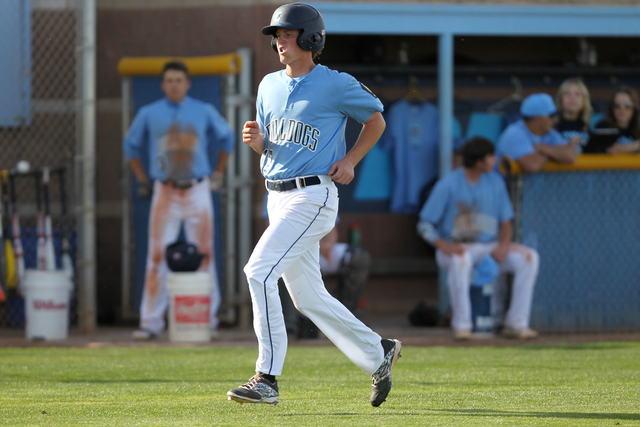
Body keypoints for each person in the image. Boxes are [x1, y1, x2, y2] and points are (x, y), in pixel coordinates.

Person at [226, 2, 401, 407]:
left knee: (258, 271)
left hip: (314, 194)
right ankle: (379, 352)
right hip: (277, 194)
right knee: (307, 297)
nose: (280, 42)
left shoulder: (335, 83)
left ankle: (266, 377)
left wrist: (351, 159)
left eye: (286, 34)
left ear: (310, 38)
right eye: (276, 36)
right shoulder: (268, 84)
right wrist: (260, 144)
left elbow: (376, 119)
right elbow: (276, 144)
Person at [123, 61, 235, 340]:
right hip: (165, 190)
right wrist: (141, 178)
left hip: (198, 188)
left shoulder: (204, 110)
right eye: (169, 80)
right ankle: (150, 323)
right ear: (162, 85)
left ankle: (206, 320)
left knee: (204, 253)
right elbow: (130, 145)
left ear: (188, 84)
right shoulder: (149, 113)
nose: (174, 84)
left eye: (179, 80)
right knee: (157, 255)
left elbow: (228, 138)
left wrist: (218, 172)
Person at [417, 137, 540, 340]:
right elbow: (424, 224)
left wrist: (503, 246)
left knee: (529, 258)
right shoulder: (448, 184)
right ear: (478, 162)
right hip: (456, 247)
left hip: (489, 246)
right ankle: (462, 326)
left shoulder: (496, 181)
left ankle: (516, 323)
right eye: (491, 157)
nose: (495, 160)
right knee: (461, 260)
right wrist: (444, 246)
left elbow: (506, 221)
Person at [495, 93, 578, 173]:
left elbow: (569, 157)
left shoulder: (550, 133)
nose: (554, 119)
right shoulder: (514, 133)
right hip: (502, 186)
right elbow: (533, 165)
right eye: (551, 116)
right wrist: (554, 153)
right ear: (538, 119)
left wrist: (542, 148)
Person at [594, 86, 640, 153]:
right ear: (612, 108)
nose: (622, 109)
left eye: (627, 105)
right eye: (617, 105)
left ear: (634, 109)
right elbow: (611, 150)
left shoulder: (637, 130)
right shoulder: (603, 127)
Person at [554, 77, 593, 153]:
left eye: (577, 94)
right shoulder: (552, 125)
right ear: (560, 98)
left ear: (584, 99)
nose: (572, 98)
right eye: (567, 94)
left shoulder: (590, 126)